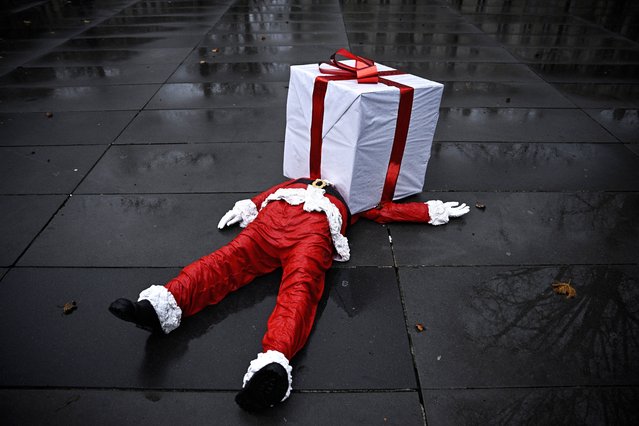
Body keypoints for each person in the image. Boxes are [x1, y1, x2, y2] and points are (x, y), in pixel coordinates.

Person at [109, 177, 469, 411]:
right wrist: (247, 206)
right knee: (222, 261)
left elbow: (384, 209)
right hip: (268, 225)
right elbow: (265, 194)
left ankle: (272, 366)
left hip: (311, 236)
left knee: (300, 291)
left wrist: (428, 210)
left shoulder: (357, 190)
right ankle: (159, 307)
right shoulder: (297, 178)